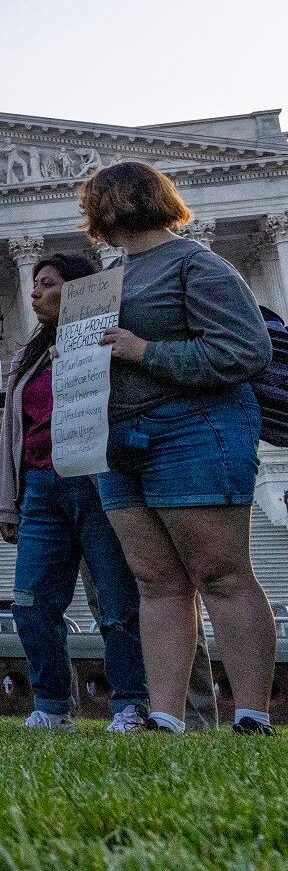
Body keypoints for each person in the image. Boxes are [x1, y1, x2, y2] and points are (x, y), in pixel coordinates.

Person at [82, 161, 276, 735]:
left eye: (115, 195)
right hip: (116, 440)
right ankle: (166, 717)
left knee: (221, 572)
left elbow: (245, 350)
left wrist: (146, 351)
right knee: (156, 582)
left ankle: (251, 715)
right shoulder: (108, 277)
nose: (108, 207)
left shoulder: (197, 264)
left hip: (195, 430)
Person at [0, 252, 151, 732]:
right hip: (42, 485)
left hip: (100, 476)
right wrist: (8, 498)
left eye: (47, 283)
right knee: (31, 601)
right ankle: (52, 704)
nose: (35, 292)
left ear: (81, 289)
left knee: (116, 600)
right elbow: (14, 431)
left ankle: (131, 702)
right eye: (34, 284)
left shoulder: (110, 336)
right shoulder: (30, 353)